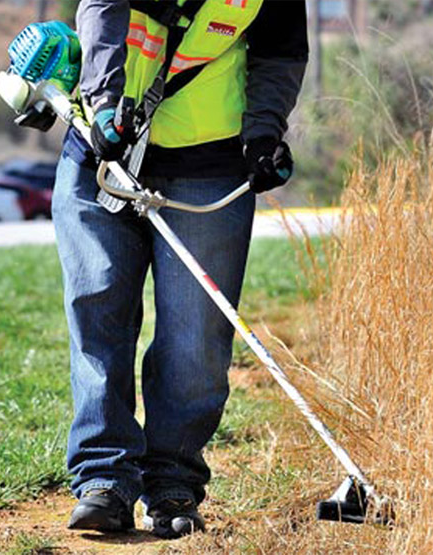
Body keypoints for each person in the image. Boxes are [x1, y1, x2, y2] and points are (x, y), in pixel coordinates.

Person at [52, 0, 308, 538]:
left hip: (209, 164)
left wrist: (263, 133)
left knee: (196, 338)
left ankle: (173, 482)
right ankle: (103, 480)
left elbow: (280, 53)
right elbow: (101, 11)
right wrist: (103, 103)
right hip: (103, 152)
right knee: (98, 311)